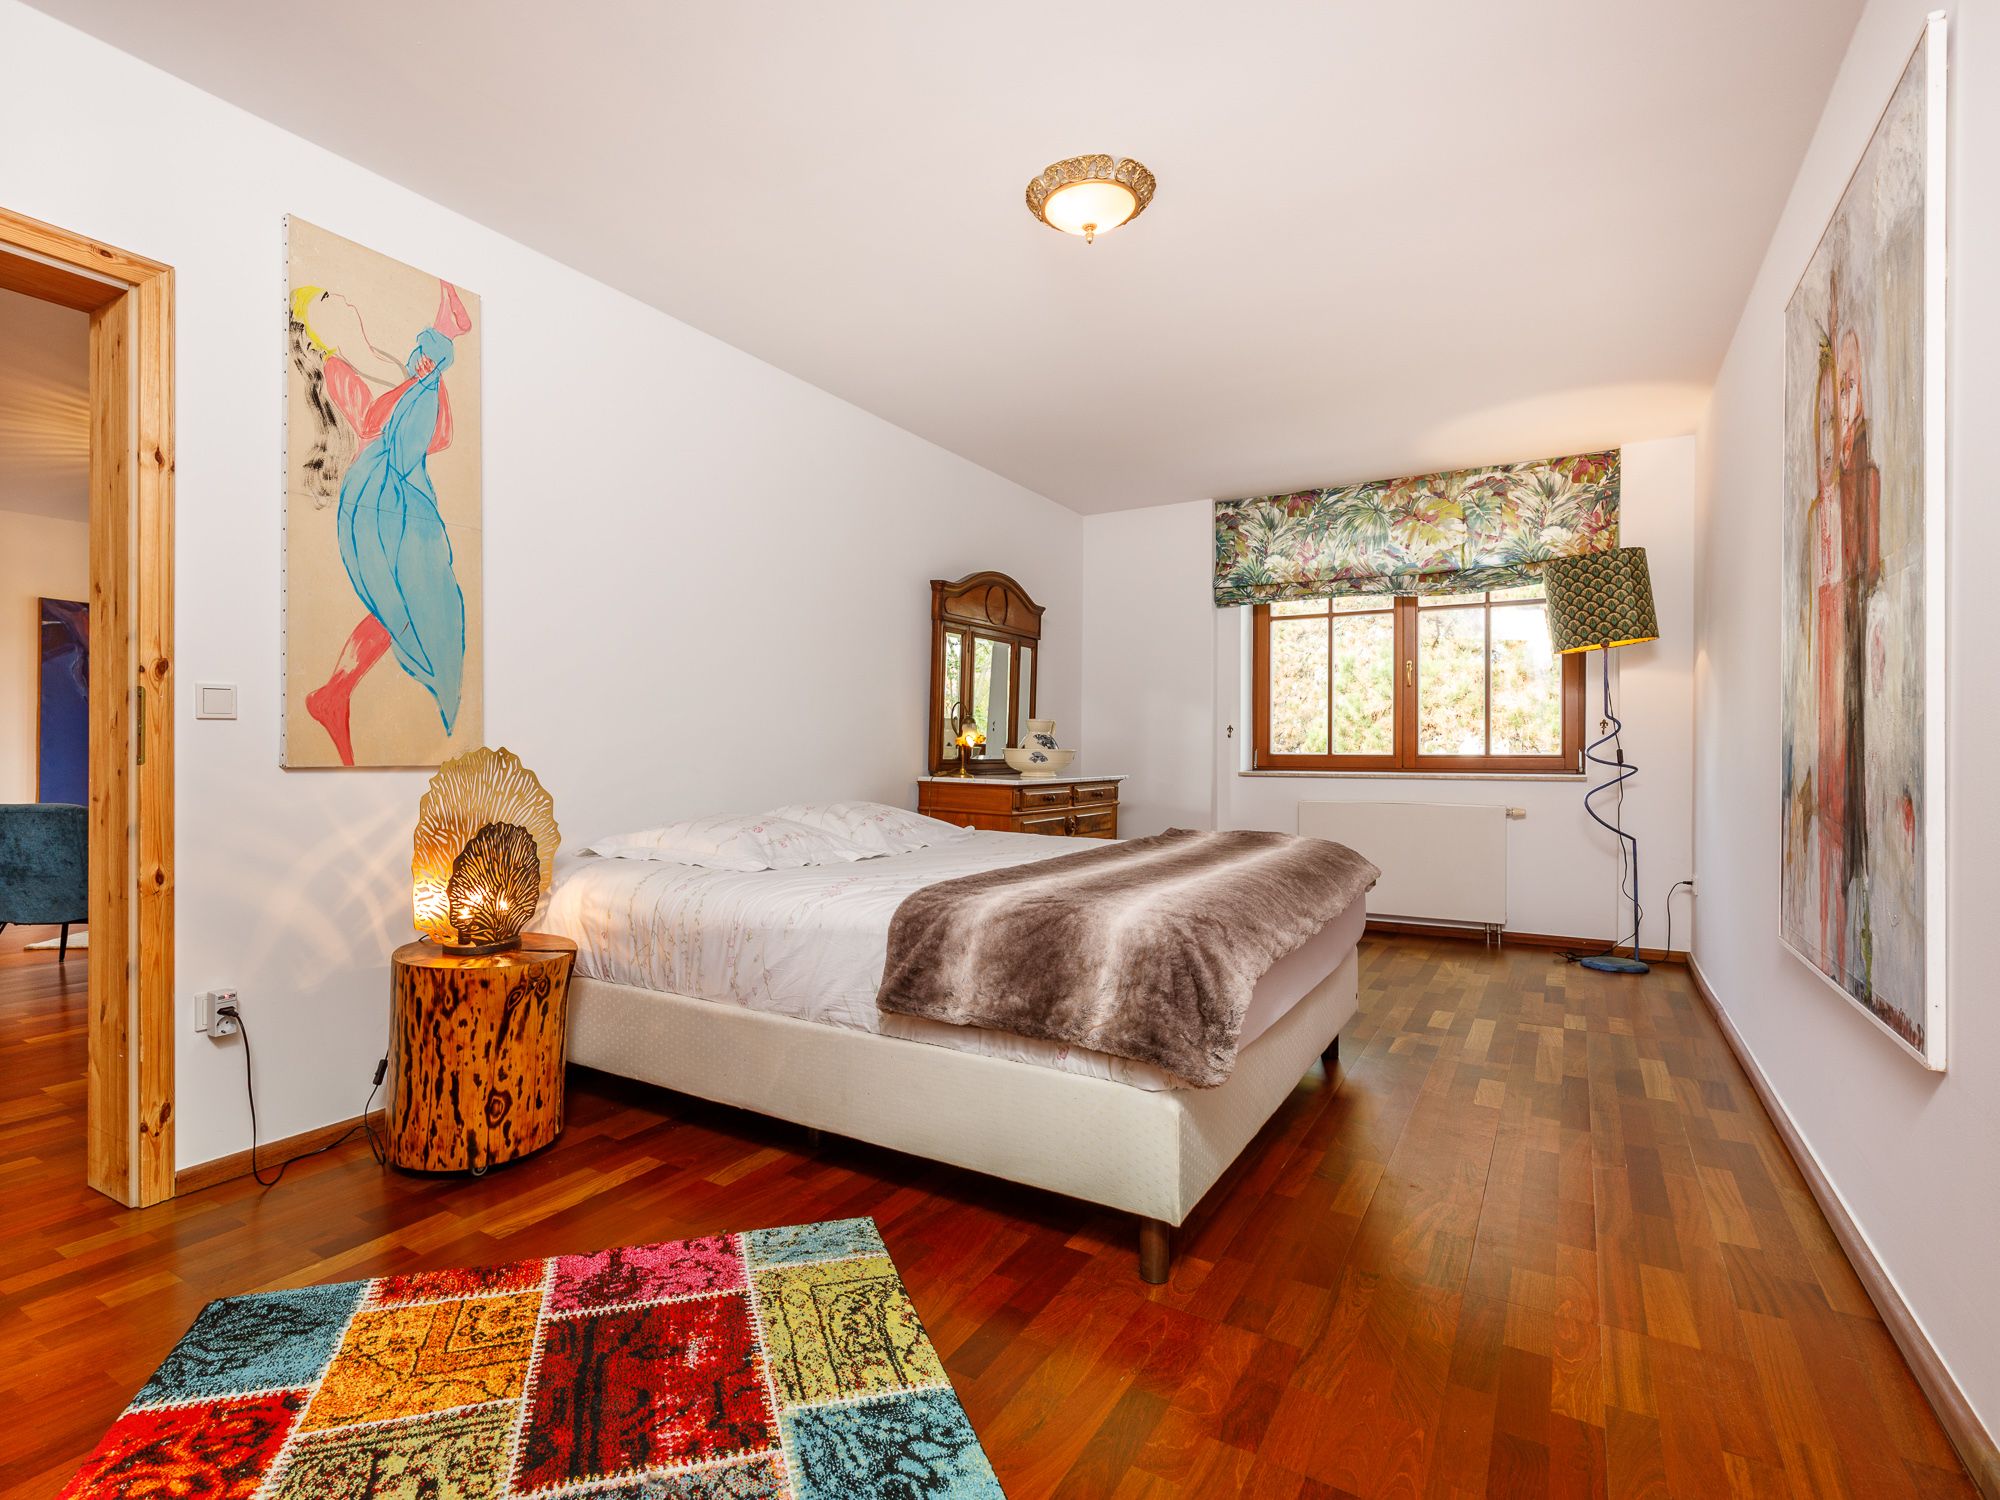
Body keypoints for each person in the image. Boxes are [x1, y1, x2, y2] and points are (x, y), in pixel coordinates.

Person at [294, 280, 472, 765]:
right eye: (329, 300)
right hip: (377, 493)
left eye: (337, 292)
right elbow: (373, 420)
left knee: (410, 600)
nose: (345, 297)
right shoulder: (337, 366)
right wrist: (423, 377)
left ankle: (334, 692)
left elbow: (438, 436)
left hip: (405, 486)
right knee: (411, 596)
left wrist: (427, 379)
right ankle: (334, 694)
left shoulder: (386, 361)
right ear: (317, 333)